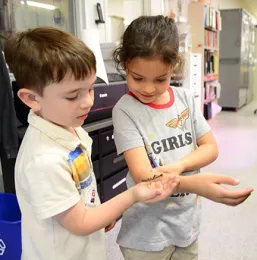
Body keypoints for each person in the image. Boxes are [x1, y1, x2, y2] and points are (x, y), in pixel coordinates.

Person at [4, 27, 182, 260]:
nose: (88, 101)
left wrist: (99, 212)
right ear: (32, 99)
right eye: (72, 96)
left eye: (90, 88)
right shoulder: (43, 161)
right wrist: (133, 195)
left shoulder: (68, 125)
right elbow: (80, 222)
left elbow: (82, 192)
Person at [112, 15, 254, 260]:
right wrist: (195, 184)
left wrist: (179, 166)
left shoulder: (185, 99)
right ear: (125, 65)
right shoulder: (125, 110)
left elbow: (210, 147)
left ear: (173, 67)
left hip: (186, 225)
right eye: (137, 78)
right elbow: (144, 176)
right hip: (146, 235)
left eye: (160, 79)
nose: (148, 88)